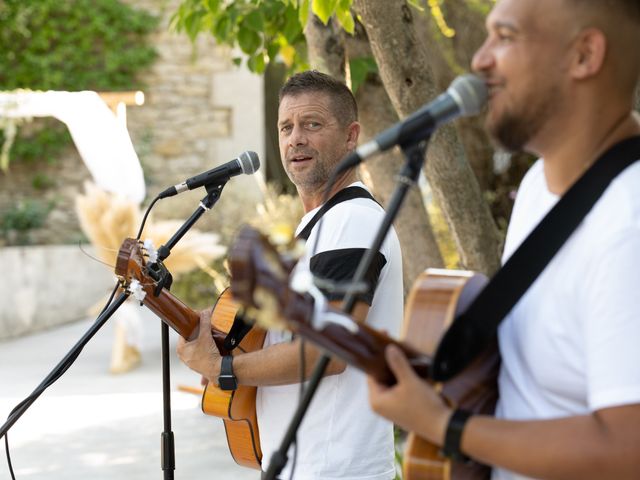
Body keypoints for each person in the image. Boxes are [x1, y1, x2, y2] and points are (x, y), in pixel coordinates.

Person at [367, 0, 640, 479]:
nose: (479, 59)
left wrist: (443, 425)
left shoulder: (629, 222)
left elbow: (628, 448)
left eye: (506, 37)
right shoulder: (538, 184)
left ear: (584, 55)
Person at [177, 70, 404, 480]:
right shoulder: (320, 226)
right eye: (286, 127)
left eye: (312, 124)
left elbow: (327, 352)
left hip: (335, 469)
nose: (295, 137)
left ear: (351, 136)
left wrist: (223, 369)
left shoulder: (352, 221)